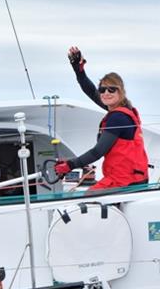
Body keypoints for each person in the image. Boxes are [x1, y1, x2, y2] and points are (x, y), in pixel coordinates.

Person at [54, 46, 149, 190]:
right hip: (133, 178)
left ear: (121, 92)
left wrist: (69, 165)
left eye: (112, 89)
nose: (106, 93)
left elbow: (98, 152)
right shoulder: (122, 110)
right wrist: (78, 70)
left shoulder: (117, 118)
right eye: (102, 89)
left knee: (85, 204)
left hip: (125, 181)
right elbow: (91, 91)